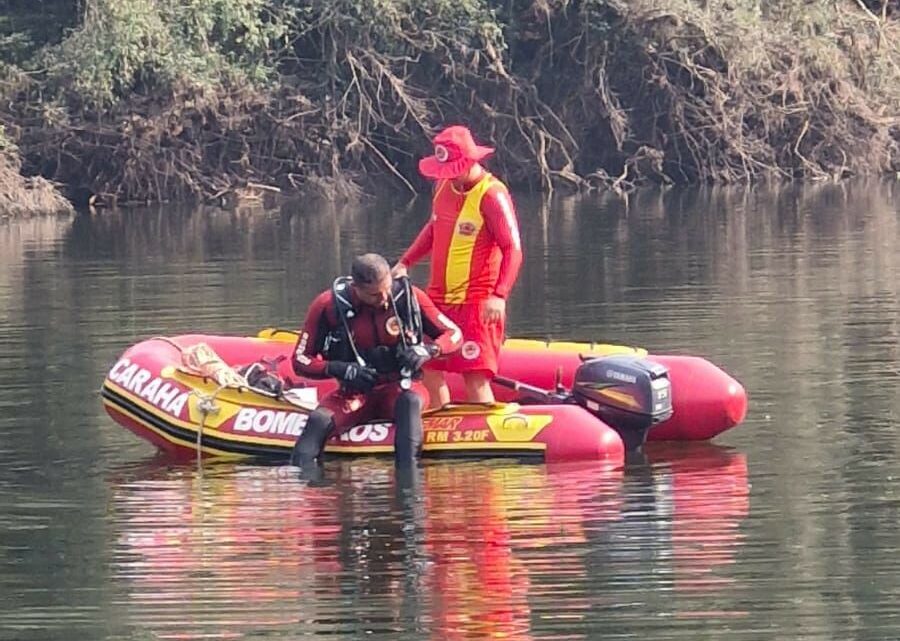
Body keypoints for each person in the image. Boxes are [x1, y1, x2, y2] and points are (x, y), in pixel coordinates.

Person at [290, 253, 462, 468]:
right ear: (356, 287)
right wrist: (338, 368)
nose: (384, 299)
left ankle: (409, 489)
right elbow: (299, 360)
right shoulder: (328, 306)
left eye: (387, 289)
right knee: (318, 421)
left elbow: (454, 334)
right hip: (353, 393)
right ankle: (304, 487)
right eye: (374, 295)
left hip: (401, 388)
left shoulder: (409, 297)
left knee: (409, 403)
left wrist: (429, 350)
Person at [392, 125, 522, 408]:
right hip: (438, 298)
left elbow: (513, 248)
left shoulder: (492, 194)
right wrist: (405, 261)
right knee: (428, 367)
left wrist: (499, 295)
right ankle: (440, 429)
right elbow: (434, 227)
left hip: (477, 300)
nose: (447, 175)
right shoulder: (443, 185)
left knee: (475, 376)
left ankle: (484, 439)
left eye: (453, 168)